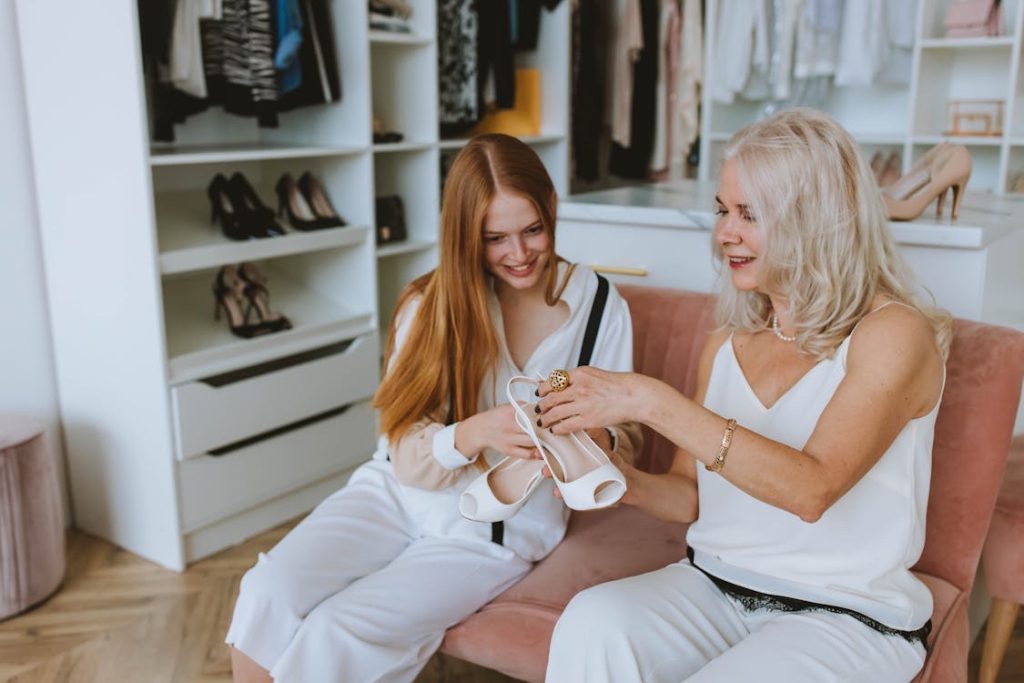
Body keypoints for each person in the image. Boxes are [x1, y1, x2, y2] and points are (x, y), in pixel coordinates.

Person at [537, 108, 951, 683]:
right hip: (715, 585)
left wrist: (650, 401)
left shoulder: (893, 334)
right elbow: (690, 497)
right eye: (722, 211)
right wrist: (612, 476)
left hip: (846, 615)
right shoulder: (728, 344)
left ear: (814, 219)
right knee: (590, 622)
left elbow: (811, 489)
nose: (724, 233)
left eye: (749, 214)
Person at [225, 133, 642, 683]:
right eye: (495, 238)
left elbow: (628, 439)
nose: (519, 254)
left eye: (532, 230)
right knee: (268, 589)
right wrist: (475, 432)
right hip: (397, 492)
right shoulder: (430, 304)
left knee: (337, 630)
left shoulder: (601, 308)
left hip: (495, 532)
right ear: (465, 233)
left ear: (552, 208)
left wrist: (590, 439)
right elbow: (403, 449)